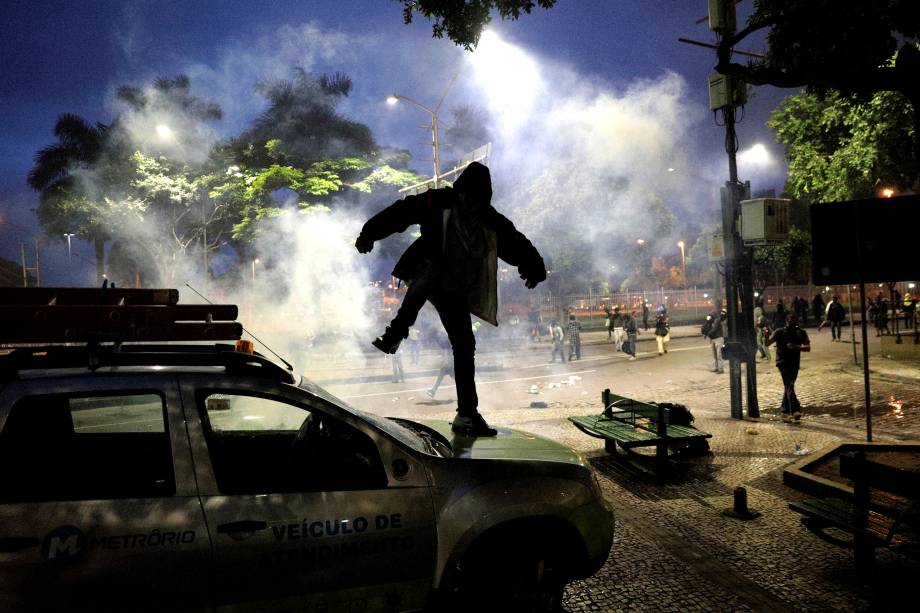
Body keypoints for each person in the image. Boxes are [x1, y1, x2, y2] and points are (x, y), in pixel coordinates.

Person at [356, 162, 546, 436]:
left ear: (482, 199)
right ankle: (396, 330)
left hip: (454, 288)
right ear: (459, 191)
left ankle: (467, 414)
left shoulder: (488, 218)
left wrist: (534, 267)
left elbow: (513, 240)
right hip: (429, 274)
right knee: (432, 268)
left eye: (475, 199)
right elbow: (400, 212)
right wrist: (369, 233)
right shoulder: (435, 201)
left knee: (465, 344)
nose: (469, 203)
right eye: (466, 196)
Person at [766, 313, 811, 422]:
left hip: (794, 363)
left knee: (788, 386)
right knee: (789, 385)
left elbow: (808, 347)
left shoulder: (801, 333)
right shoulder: (779, 332)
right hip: (782, 362)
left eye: (794, 320)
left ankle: (784, 410)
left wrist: (797, 347)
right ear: (786, 321)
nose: (792, 322)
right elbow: (767, 343)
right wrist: (766, 334)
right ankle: (795, 410)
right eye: (790, 320)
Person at [427, 334, 454, 400]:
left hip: (451, 366)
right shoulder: (446, 348)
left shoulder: (449, 348)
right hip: (446, 366)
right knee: (439, 377)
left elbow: (449, 358)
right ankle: (433, 390)